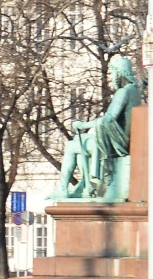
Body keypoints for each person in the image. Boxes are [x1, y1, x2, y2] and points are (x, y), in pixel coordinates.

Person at [51, 55, 141, 201]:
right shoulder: (135, 91)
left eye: (113, 72)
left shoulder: (123, 92)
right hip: (125, 140)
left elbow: (108, 119)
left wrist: (83, 125)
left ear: (119, 73)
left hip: (116, 144)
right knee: (80, 148)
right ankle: (86, 187)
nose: (112, 76)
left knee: (71, 145)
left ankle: (63, 189)